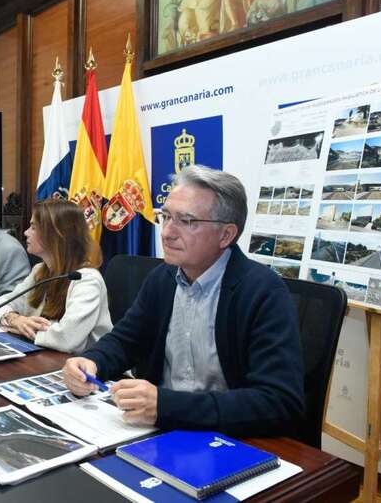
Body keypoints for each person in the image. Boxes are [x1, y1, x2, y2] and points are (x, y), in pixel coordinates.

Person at [63, 165, 304, 437]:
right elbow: (124, 341)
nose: (167, 232)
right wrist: (91, 361)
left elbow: (279, 402)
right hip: (159, 430)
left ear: (226, 235)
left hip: (227, 438)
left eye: (186, 221)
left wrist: (167, 406)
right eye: (165, 217)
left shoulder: (262, 291)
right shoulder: (163, 279)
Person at [0, 198, 112, 354]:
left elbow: (67, 340)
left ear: (56, 235)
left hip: (88, 368)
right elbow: (2, 302)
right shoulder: (40, 270)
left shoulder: (87, 280)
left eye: (33, 227)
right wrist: (15, 319)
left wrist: (23, 330)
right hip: (48, 357)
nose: (25, 232)